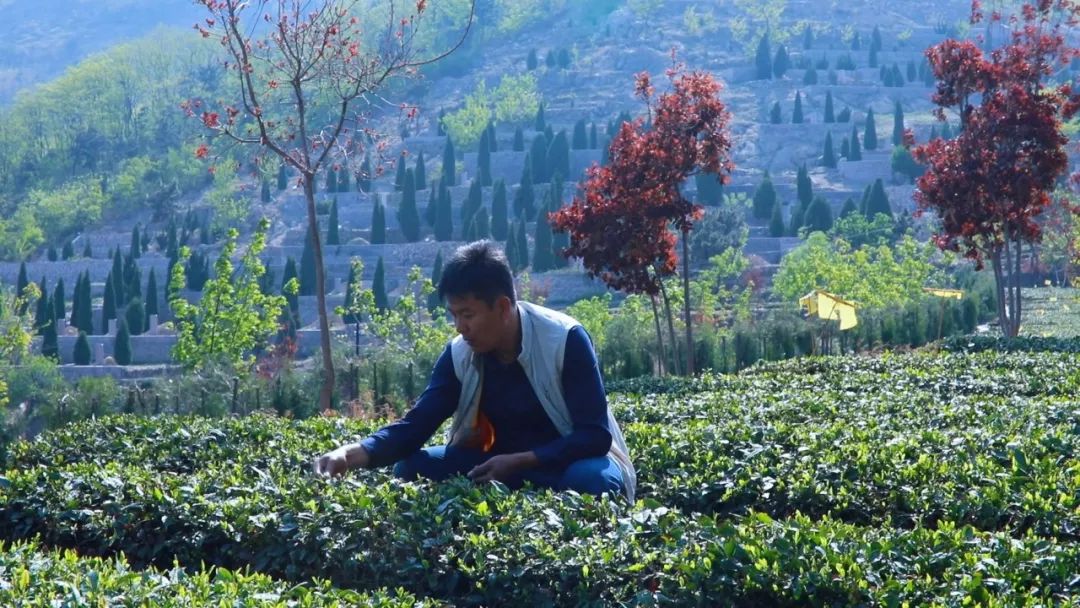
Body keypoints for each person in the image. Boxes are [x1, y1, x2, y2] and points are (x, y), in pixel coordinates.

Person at [314, 240, 636, 501]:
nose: (460, 327)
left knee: (593, 482)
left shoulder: (565, 339)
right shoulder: (460, 353)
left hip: (563, 464)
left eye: (467, 314)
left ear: (503, 308)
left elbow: (593, 436)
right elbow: (417, 425)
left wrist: (521, 460)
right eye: (454, 315)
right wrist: (351, 454)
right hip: (494, 464)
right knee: (412, 466)